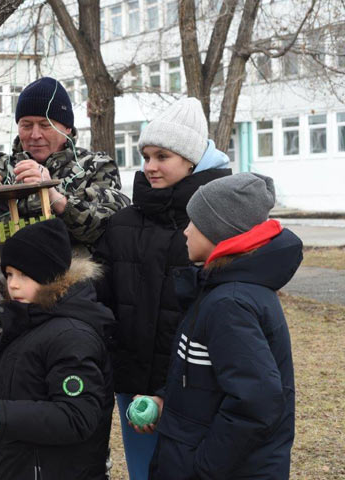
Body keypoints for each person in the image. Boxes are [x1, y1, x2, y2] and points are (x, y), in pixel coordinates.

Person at [92, 97, 231, 479]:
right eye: (146, 155)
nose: (150, 166)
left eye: (162, 156)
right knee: (143, 472)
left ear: (192, 160)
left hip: (196, 385)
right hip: (133, 385)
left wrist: (169, 390)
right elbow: (99, 300)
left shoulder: (215, 226)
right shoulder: (121, 225)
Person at [147, 173, 301, 479]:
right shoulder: (219, 289)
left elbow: (257, 401)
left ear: (220, 231)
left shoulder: (229, 302)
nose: (186, 231)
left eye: (195, 222)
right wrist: (167, 397)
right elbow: (209, 372)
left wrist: (203, 467)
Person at [0, 218, 115, 480]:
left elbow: (77, 416)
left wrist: (3, 415)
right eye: (9, 274)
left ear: (51, 275)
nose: (13, 284)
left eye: (24, 275)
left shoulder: (72, 336)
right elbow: (8, 375)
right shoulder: (32, 319)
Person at [0, 76, 129, 311]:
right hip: (5, 305)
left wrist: (55, 196)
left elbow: (103, 226)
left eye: (45, 125)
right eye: (26, 125)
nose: (35, 134)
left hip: (67, 303)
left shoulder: (95, 166)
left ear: (67, 128)